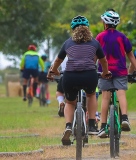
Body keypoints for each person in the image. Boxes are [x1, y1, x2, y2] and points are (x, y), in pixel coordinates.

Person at [47, 15, 111, 145]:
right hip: (89, 75)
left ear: (73, 29)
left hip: (70, 76)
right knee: (91, 94)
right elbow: (103, 60)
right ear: (87, 28)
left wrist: (53, 70)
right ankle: (92, 125)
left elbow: (58, 60)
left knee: (70, 102)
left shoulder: (68, 42)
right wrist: (105, 72)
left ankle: (68, 126)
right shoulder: (94, 42)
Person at [96, 9, 136, 138]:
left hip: (104, 72)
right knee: (121, 94)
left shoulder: (100, 37)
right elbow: (131, 56)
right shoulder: (122, 37)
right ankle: (124, 118)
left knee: (105, 97)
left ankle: (103, 126)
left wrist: (92, 69)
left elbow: (95, 56)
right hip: (120, 71)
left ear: (106, 23)